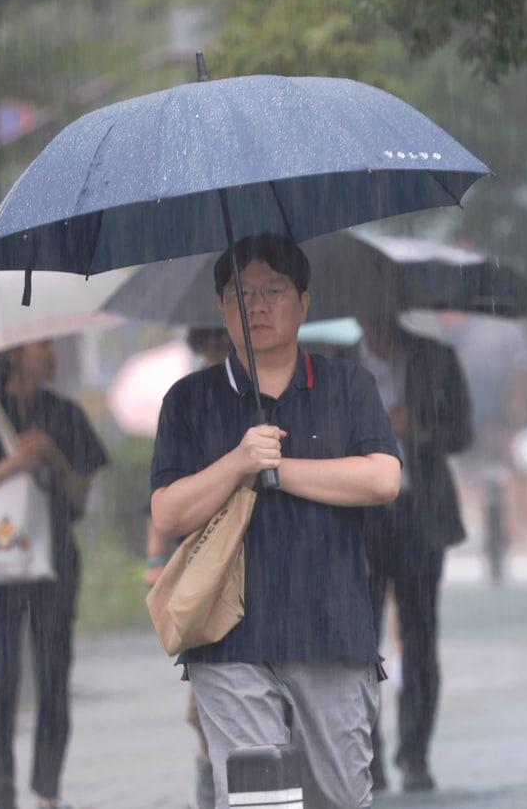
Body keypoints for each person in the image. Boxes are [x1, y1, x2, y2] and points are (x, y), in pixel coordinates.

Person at [149, 234, 402, 809]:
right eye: (242, 293)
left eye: (273, 291)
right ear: (221, 309)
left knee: (340, 798)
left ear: (304, 303)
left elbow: (382, 479)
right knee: (258, 799)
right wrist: (238, 462)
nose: (257, 306)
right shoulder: (189, 401)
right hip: (229, 639)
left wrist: (279, 470)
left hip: (332, 631)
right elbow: (168, 512)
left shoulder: (346, 385)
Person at [0, 339, 109, 809]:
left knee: (54, 675)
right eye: (43, 345)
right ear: (14, 353)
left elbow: (81, 497)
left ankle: (47, 789)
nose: (54, 353)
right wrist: (15, 464)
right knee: (1, 674)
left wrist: (55, 458)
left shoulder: (66, 414)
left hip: (56, 563)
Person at [355, 310, 473, 793]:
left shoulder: (435, 358)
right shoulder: (336, 364)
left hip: (421, 516)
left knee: (420, 637)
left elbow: (463, 433)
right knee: (358, 644)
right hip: (360, 519)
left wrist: (418, 425)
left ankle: (415, 754)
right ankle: (367, 757)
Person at [142, 324, 233, 809]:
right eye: (209, 341)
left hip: (252, 555)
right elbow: (158, 499)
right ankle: (209, 771)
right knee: (204, 691)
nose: (216, 348)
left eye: (223, 339)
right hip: (198, 560)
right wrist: (156, 562)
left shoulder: (257, 390)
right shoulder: (185, 402)